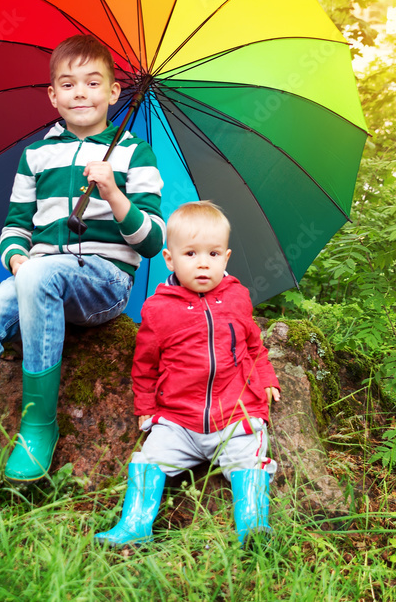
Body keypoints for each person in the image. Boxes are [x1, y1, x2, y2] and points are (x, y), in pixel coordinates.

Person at [0, 34, 165, 524]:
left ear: (113, 93)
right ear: (53, 95)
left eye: (93, 83)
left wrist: (112, 191)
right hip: (37, 278)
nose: (80, 93)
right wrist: (18, 258)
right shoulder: (35, 156)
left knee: (45, 275)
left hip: (103, 283)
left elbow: (152, 241)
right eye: (67, 84)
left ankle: (38, 426)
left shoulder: (134, 154)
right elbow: (15, 226)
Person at [94, 201, 281, 547]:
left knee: (250, 456)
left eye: (212, 254)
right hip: (178, 419)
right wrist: (147, 405)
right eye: (191, 254)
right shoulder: (158, 308)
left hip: (234, 416)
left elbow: (254, 345)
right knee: (150, 457)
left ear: (225, 258)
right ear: (169, 258)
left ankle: (253, 528)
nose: (203, 263)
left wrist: (267, 379)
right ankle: (134, 525)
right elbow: (145, 363)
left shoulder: (238, 298)